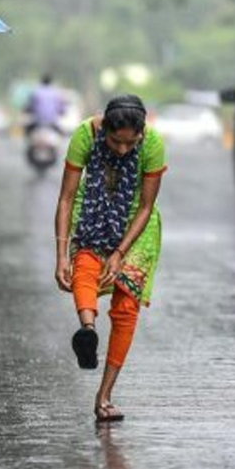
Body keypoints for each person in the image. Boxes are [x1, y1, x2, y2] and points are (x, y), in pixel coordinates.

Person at [54, 94, 166, 423]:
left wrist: (119, 253)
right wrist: (61, 254)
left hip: (136, 225)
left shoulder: (154, 144)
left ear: (142, 134)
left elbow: (145, 206)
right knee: (85, 268)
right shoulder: (84, 136)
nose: (121, 150)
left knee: (126, 306)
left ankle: (104, 396)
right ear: (104, 129)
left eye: (130, 143)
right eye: (115, 142)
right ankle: (87, 331)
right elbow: (66, 198)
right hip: (92, 212)